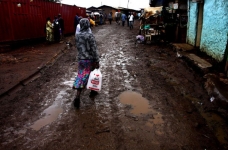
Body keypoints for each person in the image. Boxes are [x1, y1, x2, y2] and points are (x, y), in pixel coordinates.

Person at [73, 18, 100, 108]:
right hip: (89, 59)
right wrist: (97, 60)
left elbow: (78, 47)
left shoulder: (77, 35)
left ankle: (77, 96)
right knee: (92, 75)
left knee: (81, 75)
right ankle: (93, 91)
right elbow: (94, 49)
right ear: (88, 24)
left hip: (81, 59)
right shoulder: (89, 35)